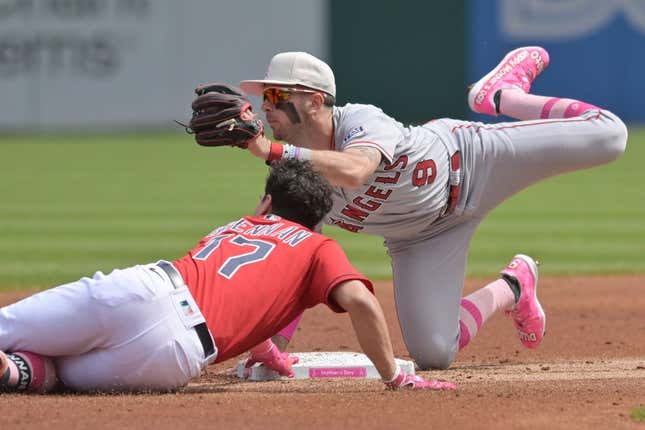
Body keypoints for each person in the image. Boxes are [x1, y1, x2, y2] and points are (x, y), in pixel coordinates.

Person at [238, 47, 628, 369]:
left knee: (610, 135)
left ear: (315, 100)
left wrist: (269, 150)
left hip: (474, 161)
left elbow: (356, 170)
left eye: (276, 95)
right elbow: (295, 262)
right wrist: (270, 348)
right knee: (435, 353)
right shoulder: (296, 179)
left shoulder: (359, 119)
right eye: (264, 97)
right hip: (419, 240)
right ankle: (514, 285)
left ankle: (505, 95)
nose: (266, 106)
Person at [0, 160, 456, 393]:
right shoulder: (318, 246)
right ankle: (13, 371)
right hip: (172, 355)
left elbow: (229, 284)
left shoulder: (235, 227)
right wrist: (394, 376)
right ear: (316, 221)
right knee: (56, 377)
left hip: (144, 290)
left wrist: (269, 350)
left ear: (264, 203)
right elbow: (359, 300)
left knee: (11, 329)